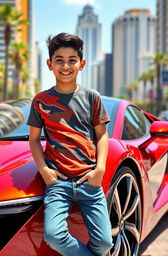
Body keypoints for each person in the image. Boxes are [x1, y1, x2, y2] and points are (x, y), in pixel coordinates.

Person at [27, 32, 113, 256]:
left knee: (105, 244)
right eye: (59, 60)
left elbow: (102, 135)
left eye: (72, 60)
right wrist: (44, 170)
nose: (66, 66)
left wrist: (100, 169)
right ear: (49, 64)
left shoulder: (92, 97)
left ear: (81, 64)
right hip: (58, 182)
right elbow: (34, 139)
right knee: (54, 235)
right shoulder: (40, 100)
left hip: (89, 181)